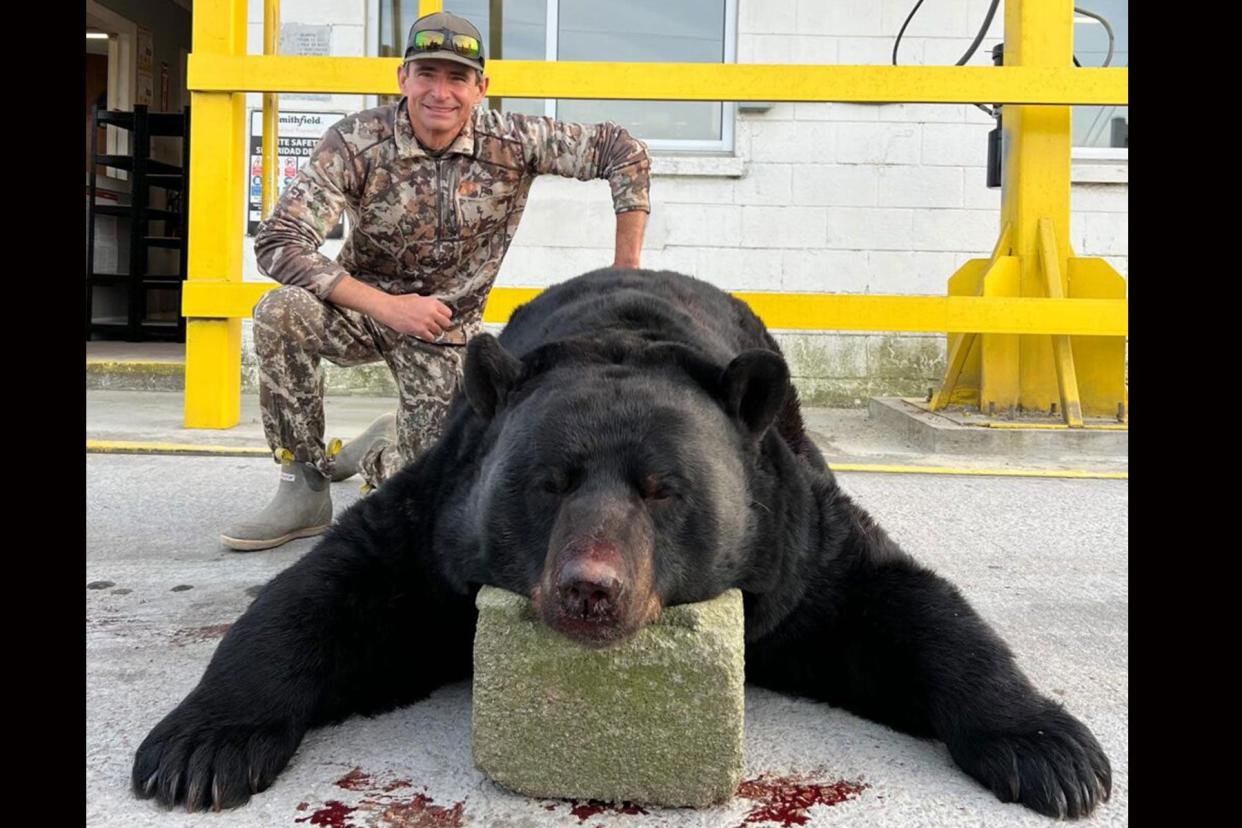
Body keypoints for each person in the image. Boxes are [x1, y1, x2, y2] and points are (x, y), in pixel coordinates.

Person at [221, 10, 651, 551]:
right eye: (426, 74)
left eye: (456, 78)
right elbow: (279, 240)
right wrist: (388, 306)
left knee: (423, 492)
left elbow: (624, 152)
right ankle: (303, 480)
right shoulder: (356, 141)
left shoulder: (513, 140)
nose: (439, 93)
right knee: (281, 310)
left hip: (445, 334)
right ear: (403, 78)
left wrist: (624, 270)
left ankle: (384, 450)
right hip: (361, 311)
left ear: (481, 87)